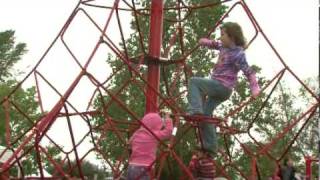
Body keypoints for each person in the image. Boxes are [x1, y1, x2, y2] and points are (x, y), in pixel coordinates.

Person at [187, 22, 260, 154]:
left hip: (222, 86)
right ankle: (210, 145)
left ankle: (195, 110)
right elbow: (214, 43)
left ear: (232, 36)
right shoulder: (223, 46)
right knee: (206, 115)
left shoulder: (238, 54)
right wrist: (204, 42)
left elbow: (249, 72)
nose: (220, 38)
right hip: (222, 89)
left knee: (194, 82)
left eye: (222, 35)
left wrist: (254, 89)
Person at [127, 112, 173, 180]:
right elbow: (169, 132)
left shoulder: (137, 133)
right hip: (144, 168)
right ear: (157, 125)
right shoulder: (154, 134)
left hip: (131, 167)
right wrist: (168, 119)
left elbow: (129, 143)